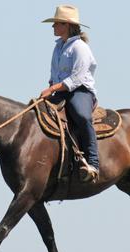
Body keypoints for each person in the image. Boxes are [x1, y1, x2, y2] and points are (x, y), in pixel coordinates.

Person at [40, 5, 99, 183]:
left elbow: (76, 79)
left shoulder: (80, 47)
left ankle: (93, 162)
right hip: (60, 90)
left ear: (66, 25)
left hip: (80, 90)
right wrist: (51, 87)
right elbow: (53, 74)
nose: (53, 27)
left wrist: (52, 89)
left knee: (81, 115)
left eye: (56, 23)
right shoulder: (58, 47)